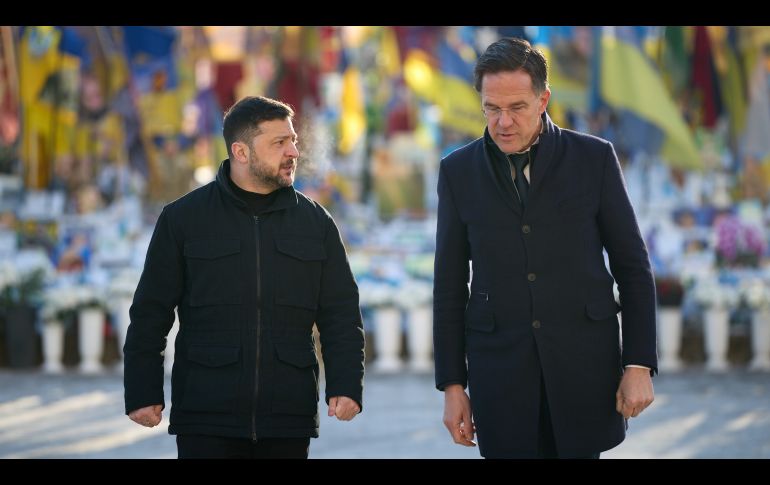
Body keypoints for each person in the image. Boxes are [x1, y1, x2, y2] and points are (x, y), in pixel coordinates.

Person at [433, 38, 656, 459]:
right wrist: (452, 386)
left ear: (543, 99)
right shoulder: (457, 171)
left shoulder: (594, 159)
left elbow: (633, 267)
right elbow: (448, 285)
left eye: (516, 107)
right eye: (491, 108)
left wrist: (639, 364)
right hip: (499, 374)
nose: (502, 122)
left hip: (584, 369)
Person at [124, 95, 365, 459]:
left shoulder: (317, 224)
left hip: (287, 416)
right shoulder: (183, 219)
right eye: (279, 143)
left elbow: (341, 314)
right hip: (205, 415)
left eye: (293, 140)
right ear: (241, 152)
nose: (293, 152)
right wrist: (143, 392)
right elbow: (150, 312)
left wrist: (347, 385)